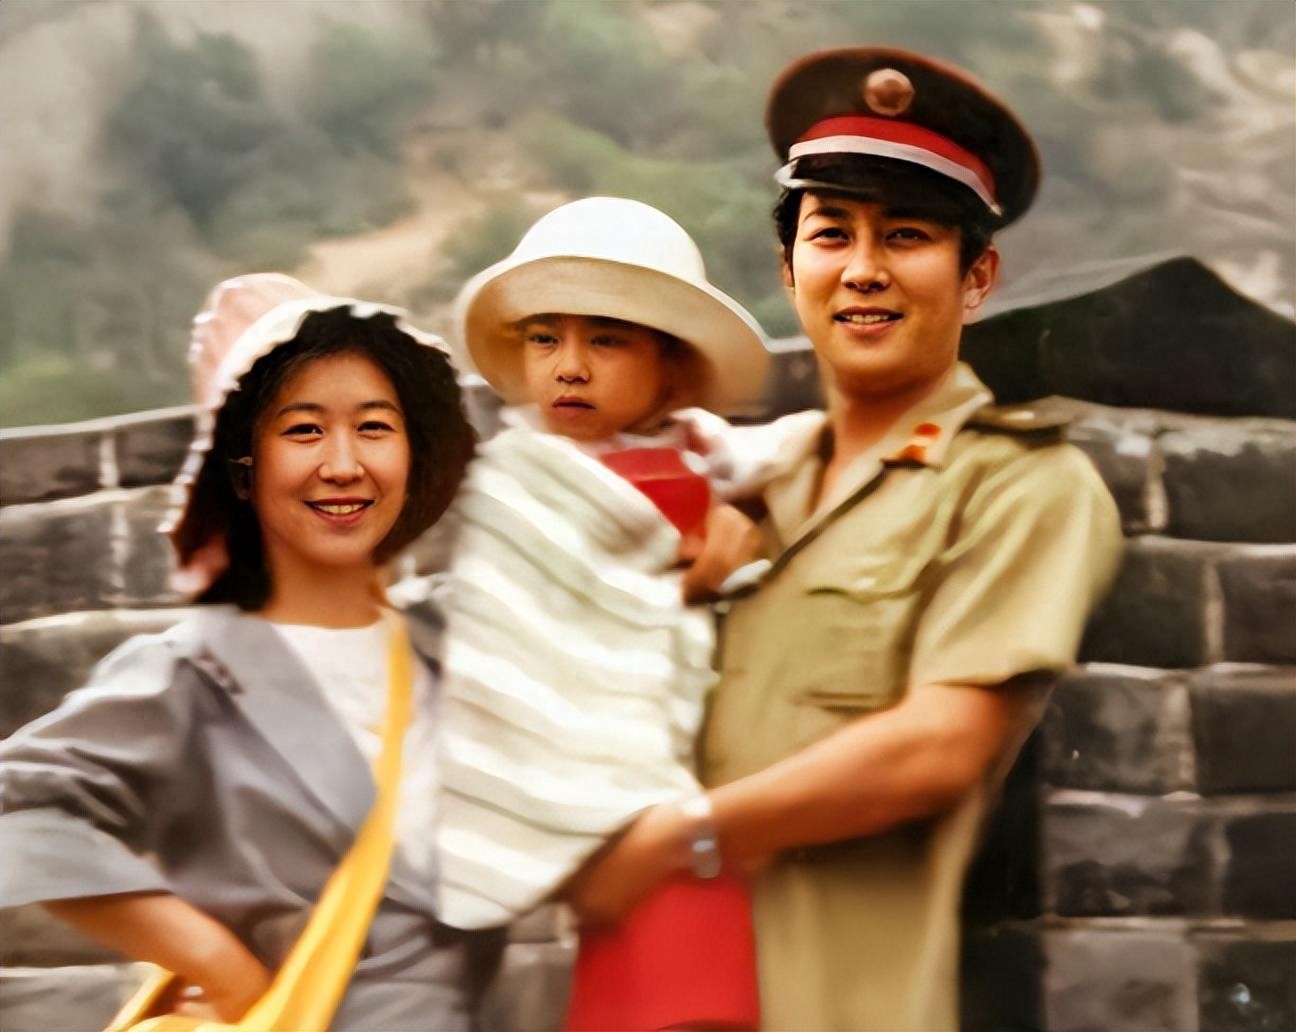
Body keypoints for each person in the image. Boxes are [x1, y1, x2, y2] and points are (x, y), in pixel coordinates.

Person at [566, 48, 1124, 1030]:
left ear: (977, 277)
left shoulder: (1017, 484)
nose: (864, 269)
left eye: (905, 235)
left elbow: (941, 746)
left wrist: (685, 836)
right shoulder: (753, 487)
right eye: (832, 234)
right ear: (790, 271)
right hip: (662, 994)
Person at [0, 274, 488, 1030]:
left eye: (374, 426)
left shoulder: (446, 645)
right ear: (243, 467)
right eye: (303, 431)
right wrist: (215, 961)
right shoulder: (194, 672)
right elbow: (18, 807)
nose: (343, 464)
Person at [430, 196, 785, 1030]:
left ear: (671, 364)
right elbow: (517, 630)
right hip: (611, 819)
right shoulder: (523, 487)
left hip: (700, 822)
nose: (569, 367)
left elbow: (798, 459)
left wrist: (742, 518)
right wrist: (679, 588)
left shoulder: (708, 468)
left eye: (607, 340)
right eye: (544, 338)